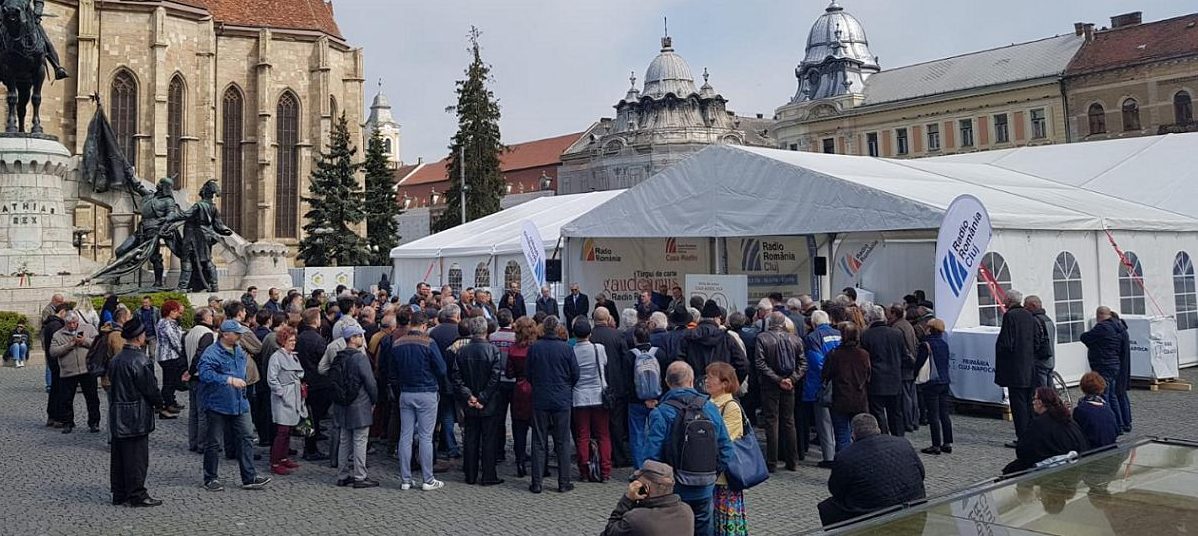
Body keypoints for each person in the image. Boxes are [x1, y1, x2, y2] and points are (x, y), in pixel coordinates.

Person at [644, 362, 734, 536]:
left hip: (673, 488)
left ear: (667, 382)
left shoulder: (661, 412)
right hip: (705, 483)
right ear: (692, 380)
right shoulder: (710, 407)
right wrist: (712, 473)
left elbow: (652, 457)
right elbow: (726, 448)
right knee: (704, 527)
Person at [197, 320, 272, 491]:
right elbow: (205, 374)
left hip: (240, 402)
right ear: (225, 334)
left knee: (246, 437)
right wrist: (228, 380)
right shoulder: (211, 353)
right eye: (237, 334)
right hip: (217, 404)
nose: (240, 336)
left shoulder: (238, 350)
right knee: (214, 442)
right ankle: (210, 478)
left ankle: (249, 477)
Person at [817, 414, 926, 527]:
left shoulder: (845, 456)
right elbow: (921, 473)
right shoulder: (903, 443)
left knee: (827, 508)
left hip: (872, 510)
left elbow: (836, 490)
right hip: (914, 502)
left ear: (853, 434)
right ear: (878, 428)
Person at [385, 311, 448, 491]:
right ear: (423, 325)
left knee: (405, 436)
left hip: (406, 393)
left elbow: (392, 372)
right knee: (426, 437)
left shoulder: (397, 343)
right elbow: (442, 369)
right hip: (427, 392)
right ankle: (428, 479)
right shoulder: (429, 342)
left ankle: (406, 479)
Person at [107, 316, 165, 507]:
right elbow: (150, 388)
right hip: (136, 414)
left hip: (117, 411)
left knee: (119, 456)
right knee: (137, 458)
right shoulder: (140, 360)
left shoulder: (116, 359)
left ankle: (120, 492)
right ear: (139, 337)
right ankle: (137, 494)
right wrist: (159, 403)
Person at [526, 316, 580, 493]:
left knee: (538, 441)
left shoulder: (534, 348)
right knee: (563, 441)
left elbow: (528, 373)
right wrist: (565, 387)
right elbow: (575, 374)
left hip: (540, 398)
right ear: (557, 329)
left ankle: (537, 483)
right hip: (562, 398)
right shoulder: (566, 348)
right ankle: (563, 482)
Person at [451, 316, 504, 486]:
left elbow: (456, 378)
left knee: (470, 438)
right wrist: (482, 398)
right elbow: (495, 378)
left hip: (470, 402)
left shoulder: (462, 351)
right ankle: (488, 475)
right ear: (486, 331)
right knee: (489, 439)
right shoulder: (493, 350)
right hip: (487, 402)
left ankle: (470, 474)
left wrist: (469, 397)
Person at [754, 312, 807, 472]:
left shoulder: (762, 338)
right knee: (789, 422)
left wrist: (778, 379)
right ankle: (792, 461)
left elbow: (760, 363)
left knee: (772, 422)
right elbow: (803, 363)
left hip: (771, 385)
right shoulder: (795, 339)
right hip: (789, 384)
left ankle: (772, 462)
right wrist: (792, 379)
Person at [1001, 387, 1089, 475]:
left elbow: (1023, 450)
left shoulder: (1039, 423)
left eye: (1034, 399)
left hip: (1050, 467)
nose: (1032, 402)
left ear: (1040, 402)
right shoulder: (1068, 420)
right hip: (1074, 463)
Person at [332, 325, 379, 488]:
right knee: (360, 440)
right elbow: (370, 382)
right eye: (359, 336)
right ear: (352, 338)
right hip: (359, 404)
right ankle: (360, 476)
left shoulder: (339, 357)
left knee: (345, 440)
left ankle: (342, 474)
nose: (361, 339)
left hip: (342, 404)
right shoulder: (360, 358)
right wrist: (374, 400)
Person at [705, 362, 749, 536]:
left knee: (726, 522)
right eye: (706, 376)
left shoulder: (731, 407)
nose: (707, 381)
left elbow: (725, 441)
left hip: (726, 477)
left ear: (724, 383)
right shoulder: (708, 403)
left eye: (711, 377)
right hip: (711, 475)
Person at [994, 290, 1040, 448]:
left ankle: (1023, 438)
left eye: (1005, 299)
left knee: (1018, 406)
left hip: (1014, 368)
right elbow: (1037, 340)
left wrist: (1001, 354)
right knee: (1028, 404)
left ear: (1009, 300)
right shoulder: (1029, 315)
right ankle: (1032, 435)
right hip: (1029, 366)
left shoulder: (1010, 316)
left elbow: (1006, 343)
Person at [602, 460, 695, 536]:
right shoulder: (686, 510)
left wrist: (628, 499)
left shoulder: (636, 518)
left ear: (646, 488)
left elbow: (609, 532)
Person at [571, 318, 612, 482]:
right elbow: (605, 363)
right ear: (590, 333)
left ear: (574, 334)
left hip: (579, 396)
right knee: (603, 435)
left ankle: (585, 471)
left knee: (583, 435)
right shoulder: (599, 348)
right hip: (599, 395)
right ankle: (605, 471)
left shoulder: (572, 350)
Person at [590, 308, 632, 469]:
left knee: (597, 424)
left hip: (595, 385)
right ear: (608, 318)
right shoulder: (618, 335)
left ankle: (598, 455)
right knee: (616, 423)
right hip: (616, 385)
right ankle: (618, 456)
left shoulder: (590, 336)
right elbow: (625, 359)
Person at [1081, 306, 1130, 434]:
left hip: (1103, 364)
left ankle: (1113, 424)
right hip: (1114, 364)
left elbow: (1084, 337)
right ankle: (1120, 423)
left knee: (1104, 395)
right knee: (1113, 395)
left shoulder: (1102, 327)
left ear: (1099, 315)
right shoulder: (1118, 326)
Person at [821, 323, 871, 452]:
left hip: (840, 398)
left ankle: (844, 464)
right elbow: (869, 375)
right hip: (860, 398)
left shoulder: (835, 354)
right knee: (861, 434)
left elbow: (825, 374)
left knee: (842, 435)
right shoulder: (863, 354)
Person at [680, 300, 750, 390]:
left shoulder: (688, 336)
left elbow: (678, 361)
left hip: (694, 388)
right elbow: (743, 364)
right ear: (716, 318)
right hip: (721, 388)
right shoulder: (727, 338)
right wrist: (731, 384)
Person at [860, 305, 907, 437]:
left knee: (878, 413)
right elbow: (904, 355)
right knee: (896, 413)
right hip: (895, 379)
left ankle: (884, 438)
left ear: (869, 318)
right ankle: (899, 439)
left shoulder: (866, 335)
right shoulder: (896, 333)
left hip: (876, 380)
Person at [50, 312, 101, 434]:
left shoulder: (88, 328)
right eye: (69, 323)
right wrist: (70, 345)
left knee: (92, 398)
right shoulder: (58, 334)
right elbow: (53, 352)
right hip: (68, 371)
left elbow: (98, 343)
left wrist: (84, 341)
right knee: (66, 399)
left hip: (86, 370)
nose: (72, 325)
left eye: (74, 323)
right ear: (65, 323)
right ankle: (68, 422)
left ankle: (94, 422)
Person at [801, 310, 841, 467]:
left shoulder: (812, 338)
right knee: (839, 420)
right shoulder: (839, 333)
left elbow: (817, 362)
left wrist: (827, 377)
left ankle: (829, 457)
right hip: (840, 382)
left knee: (824, 422)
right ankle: (842, 451)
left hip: (820, 384)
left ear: (813, 323)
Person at [266, 325, 305, 476]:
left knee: (288, 430)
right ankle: (275, 461)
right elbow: (272, 378)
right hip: (283, 397)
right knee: (282, 431)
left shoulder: (292, 356)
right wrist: (281, 392)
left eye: (294, 340)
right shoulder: (276, 357)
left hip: (293, 394)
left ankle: (283, 458)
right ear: (283, 341)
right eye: (290, 340)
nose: (293, 343)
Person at [296, 308, 332, 461]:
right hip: (318, 382)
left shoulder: (301, 337)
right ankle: (310, 448)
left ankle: (310, 444)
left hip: (305, 379)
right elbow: (324, 360)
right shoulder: (317, 339)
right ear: (315, 320)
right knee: (314, 416)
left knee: (309, 416)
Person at [429, 305, 463, 459]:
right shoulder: (460, 332)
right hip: (457, 378)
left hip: (439, 378)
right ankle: (453, 445)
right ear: (457, 316)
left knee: (444, 412)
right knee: (456, 413)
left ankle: (447, 444)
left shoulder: (434, 331)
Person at [915, 319, 953, 455]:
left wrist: (915, 375)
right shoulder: (944, 344)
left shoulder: (926, 345)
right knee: (944, 413)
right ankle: (947, 442)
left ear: (930, 329)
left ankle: (936, 444)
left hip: (931, 382)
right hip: (944, 380)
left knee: (933, 414)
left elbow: (919, 363)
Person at [507, 316, 538, 478]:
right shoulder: (537, 348)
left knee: (519, 429)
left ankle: (520, 462)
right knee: (538, 428)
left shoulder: (513, 349)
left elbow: (509, 372)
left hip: (519, 389)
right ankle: (539, 462)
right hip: (535, 389)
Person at [185, 307, 217, 453]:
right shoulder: (207, 334)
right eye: (210, 315)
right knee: (203, 412)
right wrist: (191, 371)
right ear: (204, 318)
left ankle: (193, 442)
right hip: (200, 376)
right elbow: (201, 355)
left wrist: (186, 371)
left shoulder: (189, 332)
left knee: (193, 412)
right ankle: (202, 444)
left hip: (192, 376)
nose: (212, 317)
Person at [887, 304, 919, 433]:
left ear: (894, 313)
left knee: (906, 397)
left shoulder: (897, 328)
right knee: (911, 395)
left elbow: (903, 349)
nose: (886, 315)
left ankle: (908, 422)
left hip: (904, 366)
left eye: (888, 312)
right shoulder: (907, 325)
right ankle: (914, 420)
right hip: (911, 365)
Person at [154, 300, 187, 419]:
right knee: (169, 381)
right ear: (169, 311)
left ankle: (170, 402)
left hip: (169, 356)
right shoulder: (165, 323)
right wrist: (183, 352)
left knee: (171, 380)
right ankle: (166, 405)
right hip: (168, 356)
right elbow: (175, 341)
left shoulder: (169, 322)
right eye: (175, 311)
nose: (177, 313)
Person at [1072, 372, 1120, 450]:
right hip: (1111, 447)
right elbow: (1116, 430)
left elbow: (1076, 433)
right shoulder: (1107, 407)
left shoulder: (1080, 410)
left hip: (1092, 450)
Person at [1024, 295, 1056, 389]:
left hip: (1040, 361)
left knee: (1042, 392)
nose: (1024, 308)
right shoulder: (1048, 319)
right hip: (1050, 359)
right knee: (1050, 391)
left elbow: (1035, 343)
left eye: (1026, 305)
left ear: (1033, 305)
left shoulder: (1034, 321)